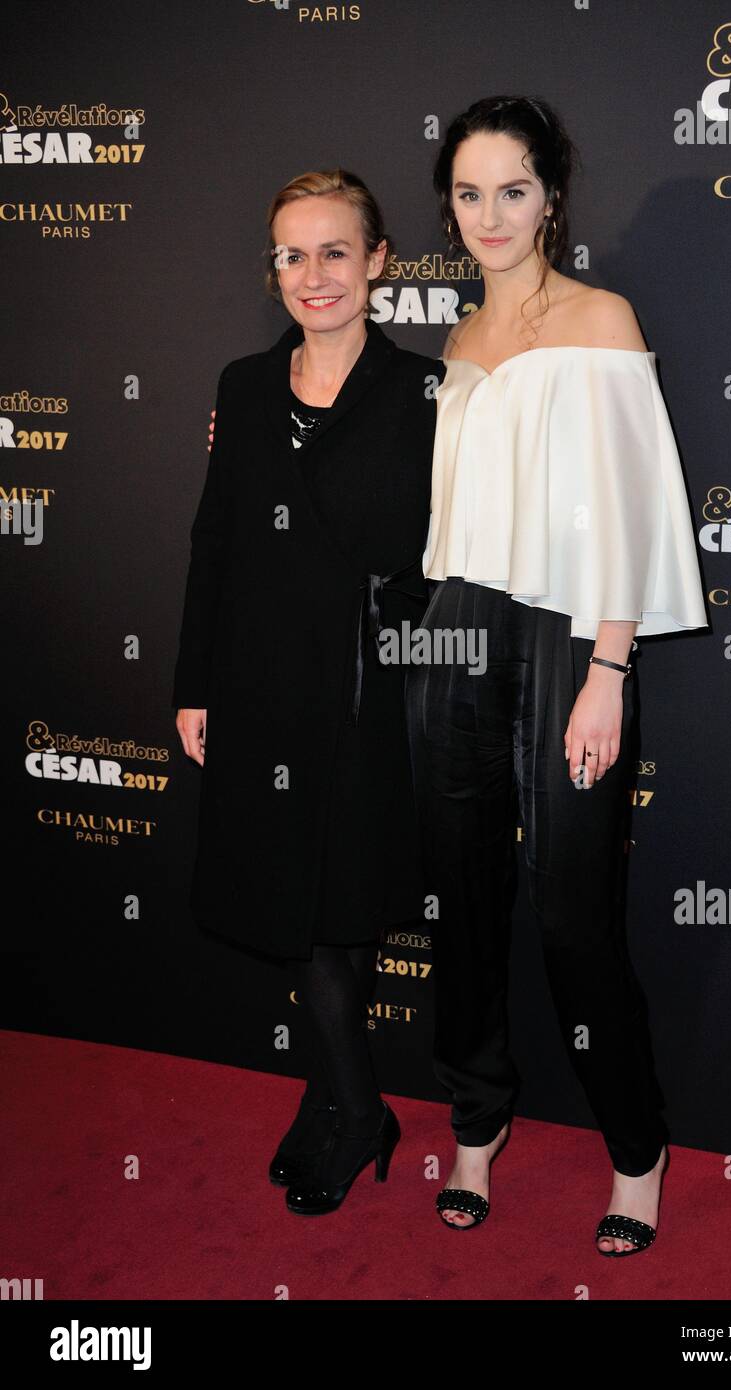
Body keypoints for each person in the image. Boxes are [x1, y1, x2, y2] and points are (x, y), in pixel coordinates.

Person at [404, 96, 709, 1253]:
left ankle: (637, 1148)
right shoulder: (459, 339)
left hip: (567, 638)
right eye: (470, 193)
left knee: (576, 917)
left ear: (551, 197)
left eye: (513, 190)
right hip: (455, 630)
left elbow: (629, 510)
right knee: (463, 906)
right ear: (451, 206)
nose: (490, 214)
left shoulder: (600, 318)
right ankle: (476, 1127)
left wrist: (608, 667)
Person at [172, 169, 445, 1216]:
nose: (314, 274)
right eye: (293, 254)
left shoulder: (425, 389)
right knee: (291, 909)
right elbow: (214, 542)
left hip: (362, 696)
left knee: (338, 917)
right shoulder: (243, 385)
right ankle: (337, 1096)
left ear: (379, 262)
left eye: (337, 251)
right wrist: (194, 683)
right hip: (256, 686)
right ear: (273, 268)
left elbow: (435, 558)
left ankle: (356, 1108)